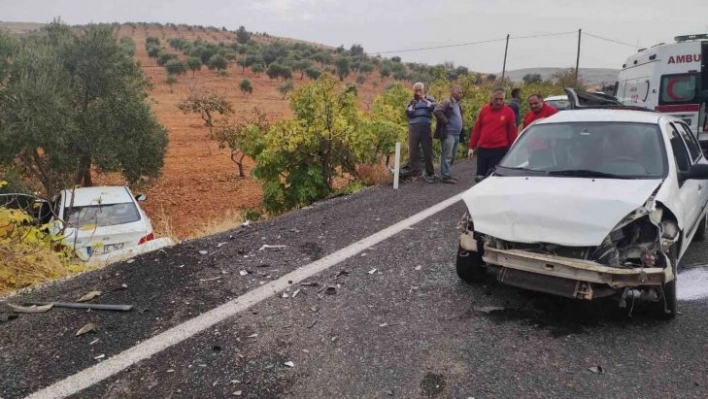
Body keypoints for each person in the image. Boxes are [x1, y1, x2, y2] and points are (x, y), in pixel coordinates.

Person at [468, 88, 518, 180]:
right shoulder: (484, 110)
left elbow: (512, 134)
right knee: (480, 176)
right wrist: (471, 147)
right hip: (483, 150)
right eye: (496, 99)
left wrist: (513, 151)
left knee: (492, 177)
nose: (499, 102)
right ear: (491, 98)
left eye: (501, 99)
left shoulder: (509, 112)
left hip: (499, 150)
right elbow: (477, 129)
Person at [405, 82, 436, 183]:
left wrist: (423, 99)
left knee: (427, 150)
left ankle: (430, 172)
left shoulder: (429, 98)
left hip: (425, 127)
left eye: (420, 90)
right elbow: (409, 114)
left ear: (423, 90)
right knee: (413, 151)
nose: (418, 92)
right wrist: (413, 105)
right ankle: (414, 173)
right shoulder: (411, 101)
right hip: (414, 127)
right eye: (416, 90)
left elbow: (433, 107)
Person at [434, 85, 464, 184]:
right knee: (447, 155)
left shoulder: (457, 105)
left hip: (456, 134)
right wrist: (446, 122)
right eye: (459, 92)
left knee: (453, 156)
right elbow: (437, 111)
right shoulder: (448, 102)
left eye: (461, 92)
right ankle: (445, 176)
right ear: (454, 93)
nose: (461, 94)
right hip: (449, 133)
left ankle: (447, 174)